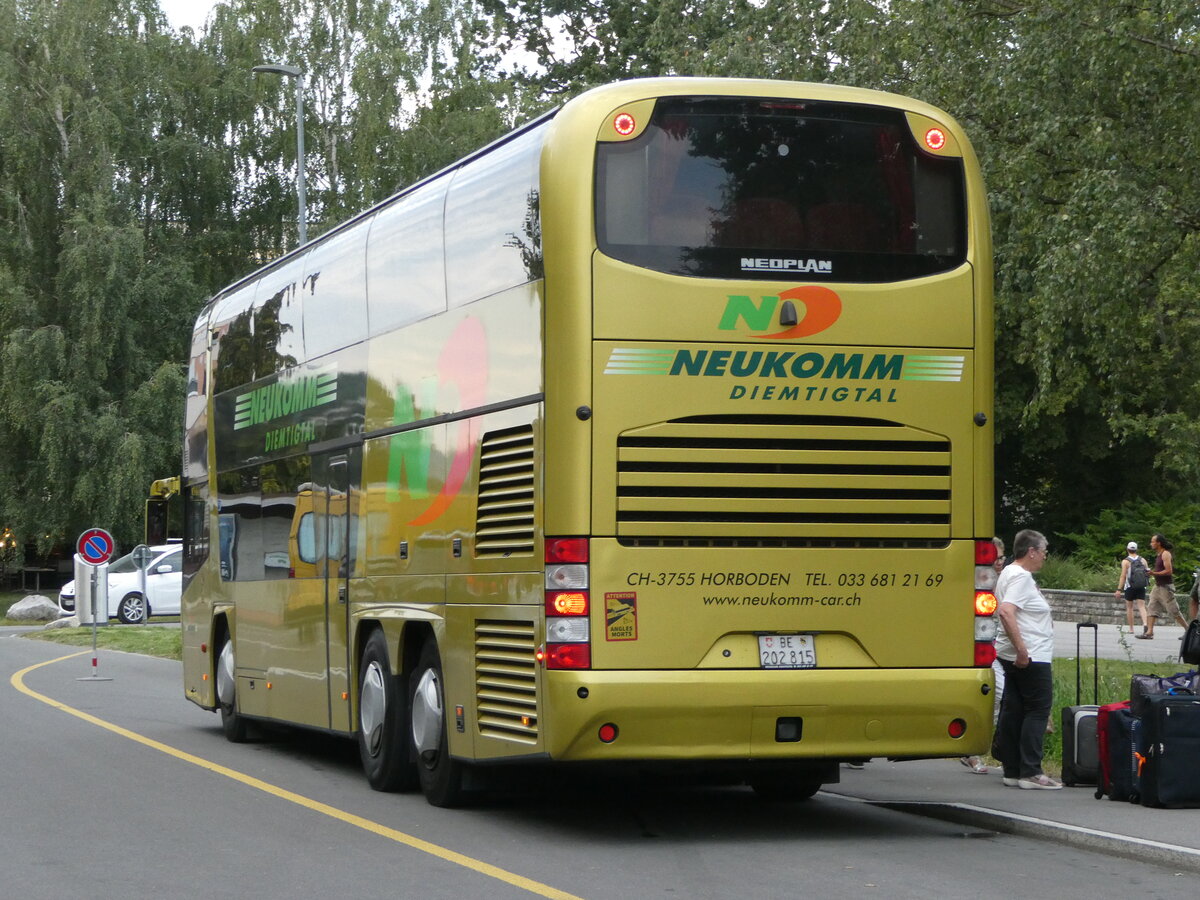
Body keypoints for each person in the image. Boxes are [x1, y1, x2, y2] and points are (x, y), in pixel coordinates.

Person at [993, 529, 1061, 789]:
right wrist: (1023, 650)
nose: (1045, 556)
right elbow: (1007, 612)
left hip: (1009, 655)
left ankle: (1012, 769)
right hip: (1032, 654)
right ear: (1031, 551)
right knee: (1037, 711)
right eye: (1043, 551)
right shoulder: (1021, 577)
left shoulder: (1008, 572)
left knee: (1014, 708)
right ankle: (1031, 771)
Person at [961, 537, 1006, 775]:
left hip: (999, 647)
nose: (998, 562)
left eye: (1001, 558)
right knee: (998, 693)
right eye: (994, 558)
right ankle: (975, 749)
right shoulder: (977, 579)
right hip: (981, 647)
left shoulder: (1005, 578)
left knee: (1001, 698)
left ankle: (984, 747)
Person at [1143, 533, 1188, 638]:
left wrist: (1154, 573)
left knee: (1173, 610)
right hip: (1158, 586)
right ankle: (1149, 632)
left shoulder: (1165, 554)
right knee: (1151, 607)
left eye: (1153, 541)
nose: (1151, 544)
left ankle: (1188, 630)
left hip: (1166, 587)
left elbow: (1169, 571)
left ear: (1159, 543)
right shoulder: (1159, 554)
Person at [1115, 541, 1150, 637]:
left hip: (1129, 586)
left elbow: (1123, 576)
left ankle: (1131, 629)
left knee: (1130, 607)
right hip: (1141, 586)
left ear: (1127, 549)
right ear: (1136, 549)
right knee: (1142, 607)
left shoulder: (1125, 561)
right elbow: (1147, 573)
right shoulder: (1143, 560)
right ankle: (1146, 624)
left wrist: (1119, 589)